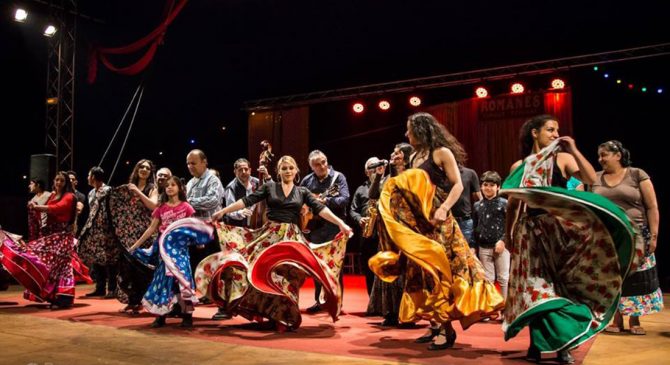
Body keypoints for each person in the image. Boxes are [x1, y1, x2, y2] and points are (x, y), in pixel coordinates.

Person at [502, 115, 636, 364]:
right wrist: (509, 236)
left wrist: (572, 147)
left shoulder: (563, 158)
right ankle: (536, 344)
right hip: (529, 233)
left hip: (559, 231)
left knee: (560, 288)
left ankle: (564, 344)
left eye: (557, 130)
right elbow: (512, 205)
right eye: (550, 130)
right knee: (535, 289)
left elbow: (590, 179)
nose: (555, 134)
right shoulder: (519, 165)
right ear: (534, 133)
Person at [370, 112, 504, 350]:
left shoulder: (441, 153)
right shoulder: (413, 158)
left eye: (409, 129)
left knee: (441, 273)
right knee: (423, 273)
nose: (406, 134)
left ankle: (446, 330)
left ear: (421, 130)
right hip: (421, 225)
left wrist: (443, 208)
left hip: (440, 222)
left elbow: (457, 185)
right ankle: (435, 326)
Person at [194, 155, 352, 331]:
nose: (288, 171)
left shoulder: (302, 192)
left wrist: (341, 223)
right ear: (279, 171)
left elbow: (321, 209)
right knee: (264, 274)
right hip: (271, 236)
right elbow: (247, 201)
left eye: (291, 168)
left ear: (296, 171)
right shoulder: (270, 187)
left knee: (288, 277)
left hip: (292, 238)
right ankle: (271, 313)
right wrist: (223, 211)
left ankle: (285, 316)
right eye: (284, 168)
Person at [591, 140, 663, 335]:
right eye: (599, 155)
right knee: (613, 277)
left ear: (618, 155)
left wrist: (654, 236)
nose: (600, 159)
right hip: (608, 237)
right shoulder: (595, 178)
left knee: (636, 278)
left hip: (637, 235)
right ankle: (615, 318)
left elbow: (652, 207)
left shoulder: (637, 174)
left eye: (604, 154)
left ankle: (634, 319)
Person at [129, 176, 211, 328]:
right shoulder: (161, 208)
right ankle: (161, 315)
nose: (170, 188)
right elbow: (152, 228)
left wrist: (199, 241)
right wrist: (135, 245)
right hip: (164, 249)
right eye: (167, 186)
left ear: (179, 188)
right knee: (163, 280)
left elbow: (191, 227)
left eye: (173, 185)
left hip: (180, 249)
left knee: (182, 279)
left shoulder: (186, 207)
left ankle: (187, 316)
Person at [1, 171, 80, 308]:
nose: (58, 183)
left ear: (66, 182)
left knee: (62, 266)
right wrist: (35, 212)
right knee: (45, 262)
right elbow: (44, 215)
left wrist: (37, 207)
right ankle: (55, 297)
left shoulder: (70, 196)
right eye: (57, 180)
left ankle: (64, 299)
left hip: (63, 236)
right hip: (51, 236)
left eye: (61, 180)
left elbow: (57, 208)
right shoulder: (54, 195)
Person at [365, 143, 413, 326]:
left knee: (404, 272)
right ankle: (390, 312)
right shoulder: (387, 178)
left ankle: (407, 314)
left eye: (398, 153)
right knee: (388, 269)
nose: (393, 155)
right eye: (393, 152)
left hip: (404, 230)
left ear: (407, 158)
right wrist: (378, 175)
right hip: (386, 233)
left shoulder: (411, 176)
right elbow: (372, 194)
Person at [300, 150, 350, 313]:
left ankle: (336, 302)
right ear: (311, 166)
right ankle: (319, 301)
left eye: (323, 162)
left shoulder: (338, 178)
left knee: (336, 266)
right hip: (314, 228)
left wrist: (325, 200)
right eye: (317, 164)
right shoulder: (307, 181)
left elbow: (344, 199)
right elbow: (300, 202)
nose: (322, 166)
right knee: (317, 266)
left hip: (335, 227)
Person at [108, 159, 159, 314]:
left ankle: (140, 302)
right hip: (128, 233)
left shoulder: (152, 188)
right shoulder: (128, 187)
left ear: (151, 173)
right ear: (136, 169)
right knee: (127, 268)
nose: (144, 169)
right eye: (141, 167)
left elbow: (153, 206)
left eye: (147, 168)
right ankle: (132, 301)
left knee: (140, 269)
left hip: (144, 232)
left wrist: (137, 192)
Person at [78, 166, 120, 298]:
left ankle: (112, 288)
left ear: (93, 177)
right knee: (96, 258)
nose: (87, 178)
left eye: (89, 175)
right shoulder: (91, 193)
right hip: (94, 229)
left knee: (109, 259)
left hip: (107, 230)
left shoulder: (108, 190)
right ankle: (100, 287)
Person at [349, 157, 387, 296]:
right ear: (366, 172)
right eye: (371, 167)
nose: (375, 168)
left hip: (385, 233)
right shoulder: (360, 189)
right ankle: (372, 302)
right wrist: (359, 219)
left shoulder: (389, 183)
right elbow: (352, 210)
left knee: (385, 267)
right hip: (367, 233)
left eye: (377, 165)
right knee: (368, 267)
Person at [473, 171, 509, 305]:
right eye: (485, 185)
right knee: (488, 278)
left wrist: (503, 241)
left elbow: (511, 225)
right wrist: (474, 245)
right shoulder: (478, 205)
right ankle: (491, 308)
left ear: (498, 187)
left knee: (503, 278)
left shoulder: (505, 204)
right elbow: (475, 226)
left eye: (491, 185)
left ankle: (504, 308)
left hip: (501, 246)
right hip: (484, 247)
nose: (488, 188)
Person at [452, 165, 482, 254]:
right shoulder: (439, 174)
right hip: (446, 220)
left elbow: (478, 198)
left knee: (468, 253)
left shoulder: (469, 173)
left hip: (464, 220)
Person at [67, 171, 88, 236]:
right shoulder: (60, 194)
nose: (70, 181)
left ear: (76, 182)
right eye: (68, 179)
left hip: (72, 226)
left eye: (73, 179)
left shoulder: (80, 195)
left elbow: (78, 211)